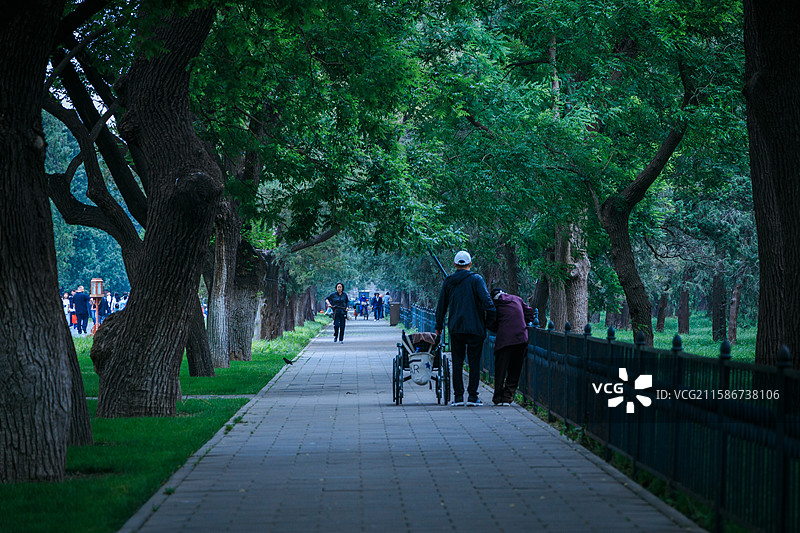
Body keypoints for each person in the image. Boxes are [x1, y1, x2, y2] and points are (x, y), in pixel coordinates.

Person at [435, 250, 496, 406]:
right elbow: (488, 303)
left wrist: (439, 326)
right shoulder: (476, 280)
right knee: (475, 363)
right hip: (475, 328)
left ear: (455, 264)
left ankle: (458, 397)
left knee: (457, 362)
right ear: (470, 264)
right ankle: (473, 397)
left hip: (456, 328)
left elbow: (441, 305)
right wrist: (491, 323)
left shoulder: (449, 281)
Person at [487, 288, 534, 406]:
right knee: (515, 369)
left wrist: (498, 327)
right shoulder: (517, 299)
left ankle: (498, 397)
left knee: (500, 369)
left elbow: (490, 323)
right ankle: (508, 397)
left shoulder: (494, 304)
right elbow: (530, 313)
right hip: (520, 338)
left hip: (504, 340)